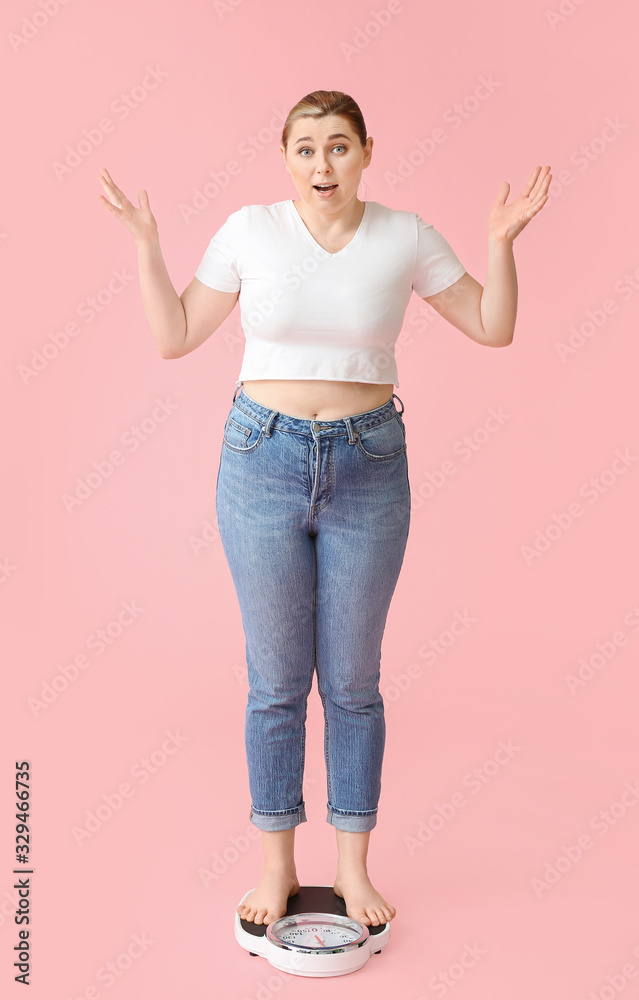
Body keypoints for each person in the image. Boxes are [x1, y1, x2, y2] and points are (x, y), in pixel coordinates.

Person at [97, 89, 551, 931]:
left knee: (351, 682)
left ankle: (351, 869)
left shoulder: (405, 236)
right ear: (284, 157)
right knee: (274, 684)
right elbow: (174, 335)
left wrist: (500, 243)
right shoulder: (247, 230)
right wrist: (146, 247)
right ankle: (275, 867)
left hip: (369, 461)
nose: (321, 165)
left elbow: (493, 327)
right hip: (259, 459)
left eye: (338, 147)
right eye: (305, 148)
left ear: (366, 152)